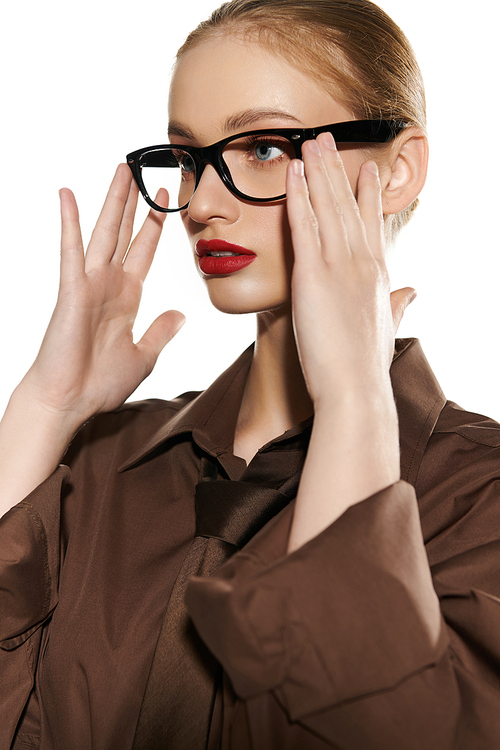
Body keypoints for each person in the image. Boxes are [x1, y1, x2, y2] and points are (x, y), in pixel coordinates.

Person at [1, 0, 499, 748]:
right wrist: (44, 407)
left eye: (263, 149)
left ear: (398, 170)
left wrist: (355, 403)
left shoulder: (479, 494)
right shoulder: (98, 464)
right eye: (191, 159)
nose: (201, 204)